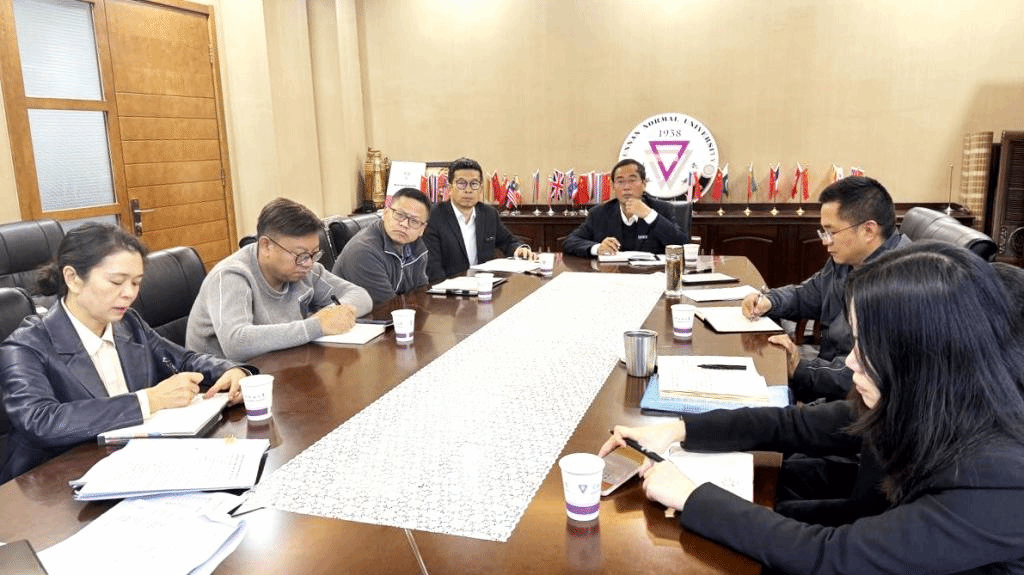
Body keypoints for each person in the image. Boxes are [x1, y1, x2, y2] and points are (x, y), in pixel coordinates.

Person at [601, 242, 1024, 574]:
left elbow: (834, 558)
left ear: (924, 357)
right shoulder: (925, 401)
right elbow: (795, 425)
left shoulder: (998, 483)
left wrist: (694, 496)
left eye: (867, 346)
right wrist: (679, 430)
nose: (851, 361)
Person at [1, 224, 251, 482]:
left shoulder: (129, 323)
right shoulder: (25, 346)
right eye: (116, 282)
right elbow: (41, 421)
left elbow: (183, 360)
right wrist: (148, 400)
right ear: (73, 278)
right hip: (57, 484)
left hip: (137, 465)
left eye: (136, 283)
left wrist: (232, 371)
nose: (129, 293)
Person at [741, 176, 909, 402]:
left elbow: (863, 374)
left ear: (868, 230)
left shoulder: (900, 284)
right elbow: (807, 295)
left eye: (831, 232)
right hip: (828, 382)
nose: (825, 241)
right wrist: (770, 300)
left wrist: (800, 368)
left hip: (858, 405)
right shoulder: (849, 259)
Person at [187, 198, 372, 361]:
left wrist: (330, 316)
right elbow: (236, 343)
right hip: (223, 382)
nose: (308, 263)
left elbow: (360, 296)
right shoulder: (231, 277)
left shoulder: (304, 269)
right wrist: (316, 326)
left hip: (283, 366)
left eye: (314, 254)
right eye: (300, 255)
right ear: (266, 246)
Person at [423, 157, 534, 282]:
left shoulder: (488, 214)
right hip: (448, 288)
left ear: (480, 188)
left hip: (484, 285)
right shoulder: (434, 216)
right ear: (450, 188)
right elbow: (433, 267)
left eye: (474, 184)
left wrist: (519, 249)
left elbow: (508, 241)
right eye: (461, 183)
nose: (468, 190)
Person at [562, 158, 689, 258]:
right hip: (613, 276)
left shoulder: (662, 209)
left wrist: (649, 215)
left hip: (651, 276)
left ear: (644, 184)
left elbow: (681, 245)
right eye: (620, 181)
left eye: (632, 180)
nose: (626, 187)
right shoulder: (599, 213)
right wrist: (598, 248)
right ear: (613, 186)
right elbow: (570, 242)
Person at [333, 187, 431, 305]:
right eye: (399, 215)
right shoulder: (364, 252)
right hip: (362, 315)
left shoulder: (416, 247)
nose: (404, 224)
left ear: (422, 229)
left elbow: (421, 295)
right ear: (385, 213)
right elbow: (386, 307)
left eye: (414, 221)